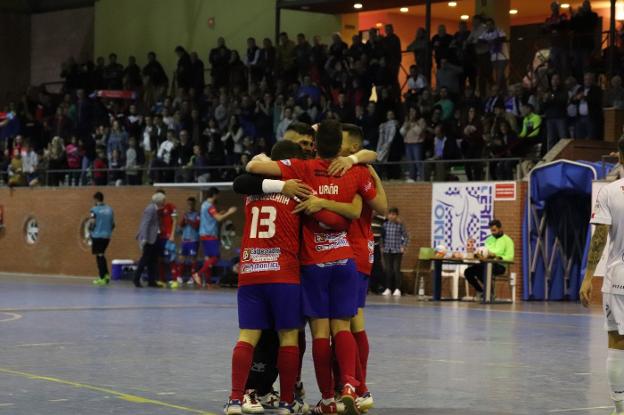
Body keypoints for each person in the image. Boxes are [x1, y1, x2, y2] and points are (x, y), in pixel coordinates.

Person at [246, 120, 379, 415]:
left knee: (320, 333)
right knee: (343, 326)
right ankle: (350, 386)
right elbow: (365, 200)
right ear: (342, 147)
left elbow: (255, 169)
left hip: (313, 262)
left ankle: (327, 400)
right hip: (345, 259)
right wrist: (355, 159)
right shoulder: (352, 171)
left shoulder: (302, 169)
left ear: (316, 146)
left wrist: (311, 197)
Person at [224, 141, 313, 415]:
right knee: (288, 337)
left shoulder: (251, 192)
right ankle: (287, 403)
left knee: (247, 337)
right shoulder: (298, 193)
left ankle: (235, 400)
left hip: (251, 271)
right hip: (283, 273)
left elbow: (243, 179)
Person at [580, 137, 624, 415]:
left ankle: (620, 409)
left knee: (617, 344)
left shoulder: (609, 192)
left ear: (619, 155)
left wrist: (587, 277)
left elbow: (600, 237)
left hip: (619, 280)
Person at [192, 187, 237, 287]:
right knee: (215, 257)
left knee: (208, 259)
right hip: (210, 235)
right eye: (217, 195)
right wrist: (229, 212)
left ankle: (208, 282)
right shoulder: (210, 206)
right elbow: (218, 218)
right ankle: (197, 274)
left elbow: (212, 217)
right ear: (214, 195)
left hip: (204, 234)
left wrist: (220, 213)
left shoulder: (204, 204)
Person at [464, 219, 514, 301]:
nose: (493, 233)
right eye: (491, 231)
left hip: (499, 265)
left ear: (500, 228)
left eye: (494, 230)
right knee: (468, 272)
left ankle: (489, 293)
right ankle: (481, 291)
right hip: (485, 263)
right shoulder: (489, 239)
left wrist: (498, 257)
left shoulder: (508, 241)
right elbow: (484, 252)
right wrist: (478, 255)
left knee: (482, 269)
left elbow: (510, 257)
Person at [134, 192, 165, 288]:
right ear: (159, 201)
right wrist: (144, 238)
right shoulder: (150, 209)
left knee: (153, 261)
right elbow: (145, 224)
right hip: (149, 239)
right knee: (144, 260)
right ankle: (136, 279)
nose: (164, 202)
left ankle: (152, 281)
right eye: (164, 200)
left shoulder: (156, 209)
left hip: (155, 238)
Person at [381, 208, 409, 297]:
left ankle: (397, 289)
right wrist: (382, 246)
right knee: (388, 270)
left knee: (396, 269)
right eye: (390, 214)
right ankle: (388, 288)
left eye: (394, 214)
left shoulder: (400, 225)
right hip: (387, 250)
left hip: (397, 250)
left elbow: (406, 236)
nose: (392, 216)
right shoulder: (385, 225)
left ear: (397, 215)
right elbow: (382, 237)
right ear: (388, 215)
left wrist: (403, 246)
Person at [89, 192, 115, 286]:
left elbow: (92, 222)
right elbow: (113, 224)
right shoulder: (110, 209)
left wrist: (90, 233)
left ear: (96, 199)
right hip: (107, 236)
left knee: (99, 256)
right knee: (102, 254)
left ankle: (102, 277)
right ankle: (106, 275)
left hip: (97, 235)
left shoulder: (94, 210)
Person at [176, 197, 200, 285]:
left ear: (194, 204)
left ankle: (192, 277)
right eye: (188, 204)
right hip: (185, 239)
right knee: (181, 258)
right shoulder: (185, 214)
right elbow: (181, 225)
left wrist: (188, 220)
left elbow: (196, 226)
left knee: (193, 259)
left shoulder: (197, 214)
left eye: (191, 204)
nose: (189, 206)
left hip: (193, 240)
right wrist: (183, 220)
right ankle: (179, 276)